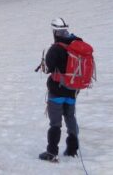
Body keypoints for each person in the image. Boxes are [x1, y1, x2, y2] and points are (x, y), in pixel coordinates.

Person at [39, 17, 81, 162]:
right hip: (73, 90)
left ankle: (51, 152)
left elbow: (48, 68)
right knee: (70, 117)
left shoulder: (55, 49)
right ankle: (72, 149)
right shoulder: (77, 44)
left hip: (57, 91)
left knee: (55, 122)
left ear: (55, 32)